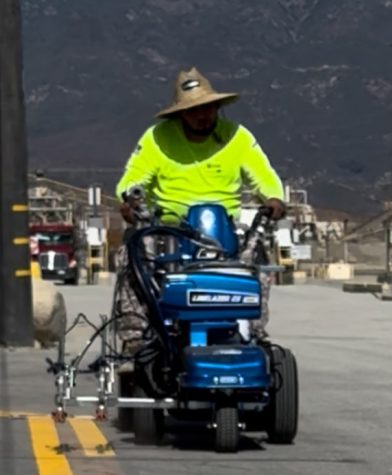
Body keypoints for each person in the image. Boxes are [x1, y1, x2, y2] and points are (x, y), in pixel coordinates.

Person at [113, 67, 286, 351]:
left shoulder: (237, 137)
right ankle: (135, 336)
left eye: (208, 109)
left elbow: (263, 176)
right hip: (168, 230)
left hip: (223, 231)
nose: (202, 116)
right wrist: (130, 202)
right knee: (130, 256)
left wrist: (274, 199)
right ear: (180, 113)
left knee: (256, 257)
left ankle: (253, 329)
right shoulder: (156, 138)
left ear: (217, 108)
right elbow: (133, 179)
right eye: (194, 110)